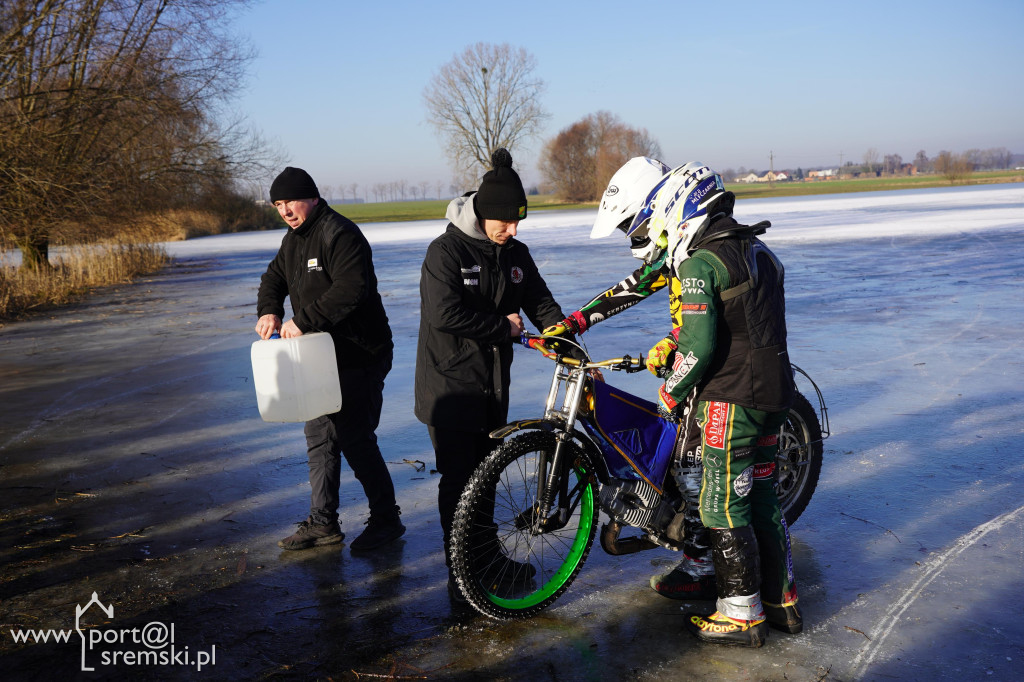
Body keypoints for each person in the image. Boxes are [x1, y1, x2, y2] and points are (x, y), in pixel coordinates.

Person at [542, 157, 718, 601]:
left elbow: (712, 317)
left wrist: (677, 342)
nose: (632, 239)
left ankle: (701, 561)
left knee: (690, 455)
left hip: (717, 363)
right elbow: (634, 286)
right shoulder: (674, 253)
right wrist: (574, 323)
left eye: (631, 228)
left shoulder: (697, 250)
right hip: (694, 347)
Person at [644, 162, 800, 647]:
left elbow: (700, 344)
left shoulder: (700, 263)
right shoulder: (760, 249)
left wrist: (671, 387)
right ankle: (781, 603)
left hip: (733, 398)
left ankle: (739, 613)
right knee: (764, 498)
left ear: (682, 209)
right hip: (778, 393)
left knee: (721, 501)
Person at [414, 148, 575, 602]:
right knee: (459, 482)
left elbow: (541, 303)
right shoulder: (445, 251)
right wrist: (501, 327)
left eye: (518, 221)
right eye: (505, 221)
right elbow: (443, 313)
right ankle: (461, 570)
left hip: (491, 386)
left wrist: (566, 342)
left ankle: (485, 557)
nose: (513, 229)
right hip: (449, 385)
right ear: (483, 212)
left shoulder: (515, 253)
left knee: (484, 477)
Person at [256, 166, 405, 553]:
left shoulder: (340, 234)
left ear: (313, 197)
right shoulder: (293, 241)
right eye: (278, 204)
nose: (286, 210)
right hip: (320, 358)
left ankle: (386, 519)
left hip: (361, 354)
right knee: (320, 437)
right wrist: (270, 310)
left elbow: (351, 289)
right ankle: (323, 522)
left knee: (355, 438)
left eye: (291, 201)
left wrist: (303, 320)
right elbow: (273, 278)